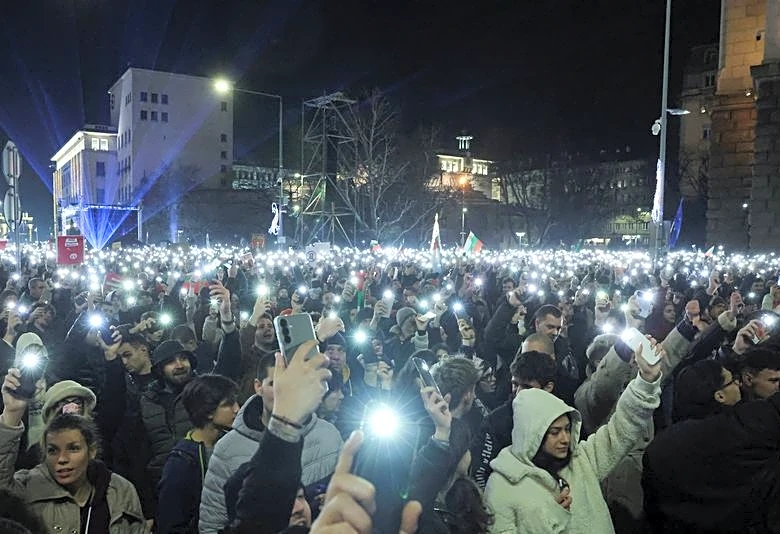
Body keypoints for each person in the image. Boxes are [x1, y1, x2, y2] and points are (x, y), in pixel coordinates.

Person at [485, 344, 662, 533]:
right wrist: (550, 521)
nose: (565, 438)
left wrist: (646, 381)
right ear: (532, 433)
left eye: (567, 429)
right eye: (554, 432)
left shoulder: (581, 461)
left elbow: (622, 426)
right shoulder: (502, 487)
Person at [199, 351, 343, 534]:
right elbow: (212, 524)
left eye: (293, 385)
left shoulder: (329, 435)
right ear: (258, 387)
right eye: (276, 384)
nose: (285, 392)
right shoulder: (228, 449)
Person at [0, 368, 146, 533]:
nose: (62, 458)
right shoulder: (28, 487)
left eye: (73, 448)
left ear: (92, 450)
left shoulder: (121, 491)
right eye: (53, 450)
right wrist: (12, 414)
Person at [643, 360, 780, 532]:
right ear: (720, 396)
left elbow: (653, 511)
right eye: (732, 381)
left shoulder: (659, 449)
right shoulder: (744, 426)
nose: (738, 383)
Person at [156, 374, 239, 534]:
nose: (237, 409)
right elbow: (170, 523)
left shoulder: (231, 445)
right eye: (228, 404)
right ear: (207, 411)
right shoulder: (181, 463)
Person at [473, 351, 557, 489]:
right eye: (515, 384)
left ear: (548, 387)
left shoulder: (561, 418)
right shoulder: (495, 423)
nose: (518, 392)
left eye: (527, 387)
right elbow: (480, 474)